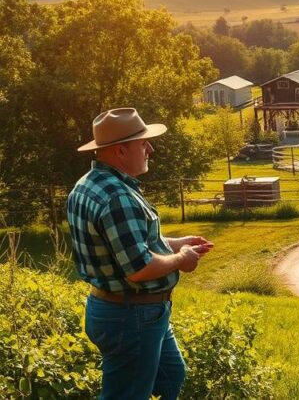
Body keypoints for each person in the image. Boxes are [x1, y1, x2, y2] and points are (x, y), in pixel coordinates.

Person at [67, 108, 213, 400]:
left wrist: (175, 243)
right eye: (143, 143)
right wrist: (181, 259)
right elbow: (139, 268)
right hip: (131, 315)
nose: (150, 149)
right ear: (120, 150)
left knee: (171, 374)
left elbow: (126, 245)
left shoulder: (89, 184)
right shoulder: (118, 197)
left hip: (119, 309)